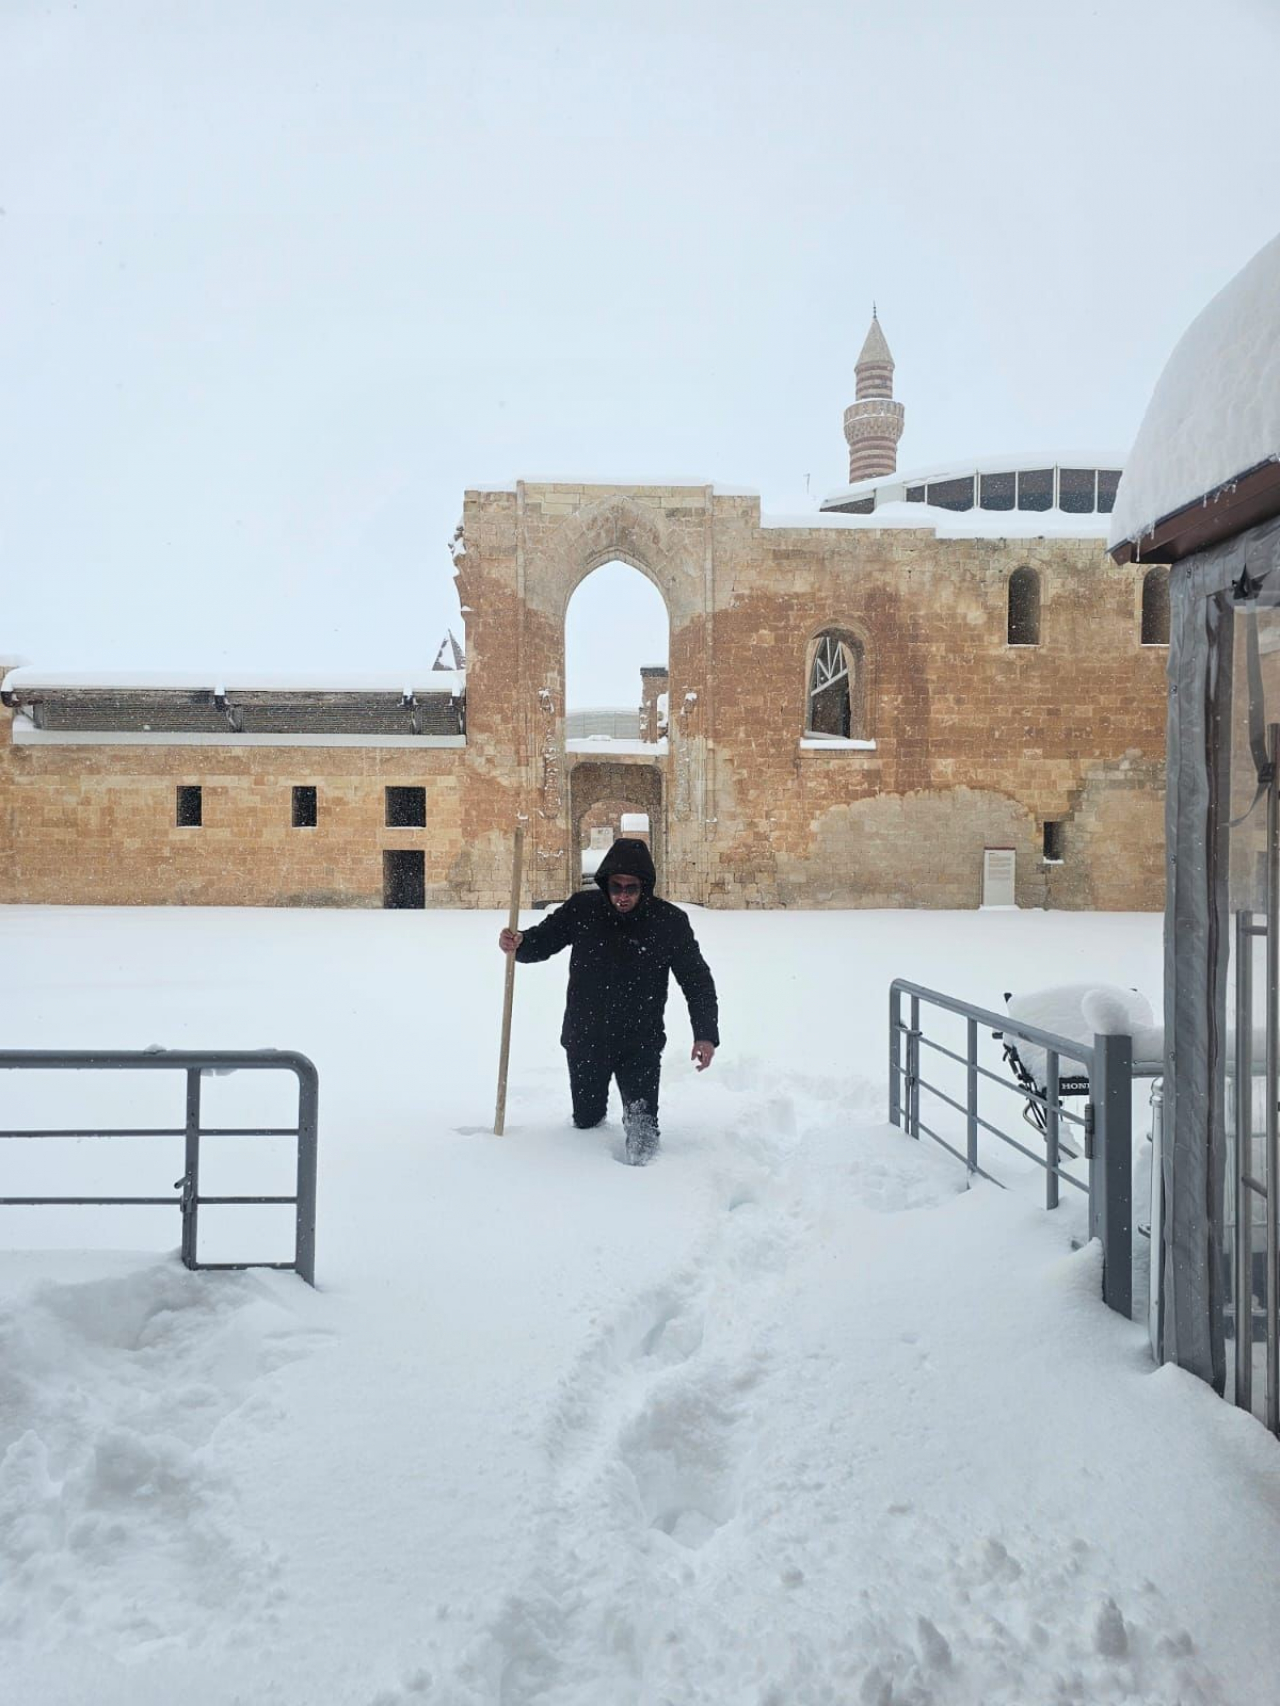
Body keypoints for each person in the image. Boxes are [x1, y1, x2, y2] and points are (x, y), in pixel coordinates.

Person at [497, 838, 718, 1165]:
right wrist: (520, 943)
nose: (623, 895)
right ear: (606, 885)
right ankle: (588, 1190)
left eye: (631, 887)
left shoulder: (668, 922)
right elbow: (544, 941)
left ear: (645, 886)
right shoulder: (583, 909)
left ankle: (643, 1189)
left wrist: (705, 1033)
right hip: (585, 1039)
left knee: (643, 1136)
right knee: (586, 1125)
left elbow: (696, 979)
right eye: (615, 887)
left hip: (639, 1043)